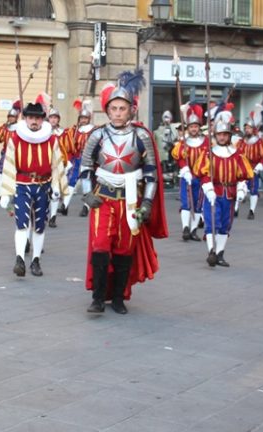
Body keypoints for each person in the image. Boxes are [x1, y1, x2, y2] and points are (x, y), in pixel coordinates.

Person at [81, 69, 168, 314]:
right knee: (100, 247)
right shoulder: (97, 135)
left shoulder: (142, 136)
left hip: (130, 201)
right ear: (107, 110)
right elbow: (85, 166)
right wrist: (87, 193)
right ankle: (98, 298)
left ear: (131, 109)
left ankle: (118, 298)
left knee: (123, 250)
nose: (118, 113)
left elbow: (151, 173)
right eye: (114, 108)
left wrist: (147, 203)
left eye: (122, 108)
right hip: (103, 200)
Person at [0, 99, 64, 277]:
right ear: (25, 119)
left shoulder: (51, 140)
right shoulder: (16, 139)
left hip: (43, 186)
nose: (34, 121)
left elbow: (57, 164)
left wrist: (57, 186)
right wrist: (6, 191)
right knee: (21, 223)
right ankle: (20, 259)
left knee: (40, 225)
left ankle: (35, 260)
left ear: (43, 120)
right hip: (22, 185)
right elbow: (9, 165)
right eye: (30, 118)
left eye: (37, 118)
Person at [199, 112, 253, 267]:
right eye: (220, 135)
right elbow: (203, 172)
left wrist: (242, 188)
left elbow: (243, 174)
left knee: (225, 224)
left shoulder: (237, 155)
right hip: (213, 192)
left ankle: (220, 253)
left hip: (229, 194)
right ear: (215, 136)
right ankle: (211, 251)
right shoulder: (209, 153)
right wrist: (207, 187)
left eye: (225, 135)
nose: (222, 137)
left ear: (229, 136)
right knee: (211, 222)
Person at [171, 103, 209, 241]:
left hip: (200, 178)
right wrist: (184, 168)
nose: (193, 129)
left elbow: (210, 158)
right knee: (186, 203)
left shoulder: (206, 142)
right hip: (186, 176)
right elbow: (178, 156)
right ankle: (185, 228)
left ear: (199, 128)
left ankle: (193, 230)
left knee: (198, 205)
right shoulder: (183, 143)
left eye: (196, 126)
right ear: (188, 128)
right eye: (191, 126)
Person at [62, 100, 94, 217]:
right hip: (76, 158)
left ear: (89, 118)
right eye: (81, 118)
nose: (83, 120)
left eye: (85, 118)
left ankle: (86, 206)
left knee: (86, 182)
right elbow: (69, 142)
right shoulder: (75, 130)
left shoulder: (93, 130)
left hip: (88, 159)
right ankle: (64, 205)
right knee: (71, 181)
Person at [239, 109, 263, 220]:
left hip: (253, 168)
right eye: (246, 128)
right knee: (239, 188)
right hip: (241, 168)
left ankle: (252, 210)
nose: (247, 130)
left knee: (253, 189)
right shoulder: (242, 141)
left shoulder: (259, 142)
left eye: (249, 128)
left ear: (253, 129)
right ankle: (235, 209)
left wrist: (259, 166)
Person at [47, 106, 74, 228]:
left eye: (55, 118)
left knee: (56, 192)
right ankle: (42, 213)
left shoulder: (64, 133)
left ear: (58, 119)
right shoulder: (42, 132)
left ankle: (53, 217)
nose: (53, 120)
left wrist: (67, 162)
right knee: (44, 193)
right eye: (51, 117)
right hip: (43, 165)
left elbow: (68, 149)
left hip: (58, 166)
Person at [0, 101, 20, 203]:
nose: (11, 118)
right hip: (5, 153)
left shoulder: (20, 128)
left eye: (12, 117)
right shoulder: (5, 128)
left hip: (16, 155)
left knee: (16, 174)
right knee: (0, 173)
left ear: (16, 118)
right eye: (9, 117)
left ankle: (16, 195)